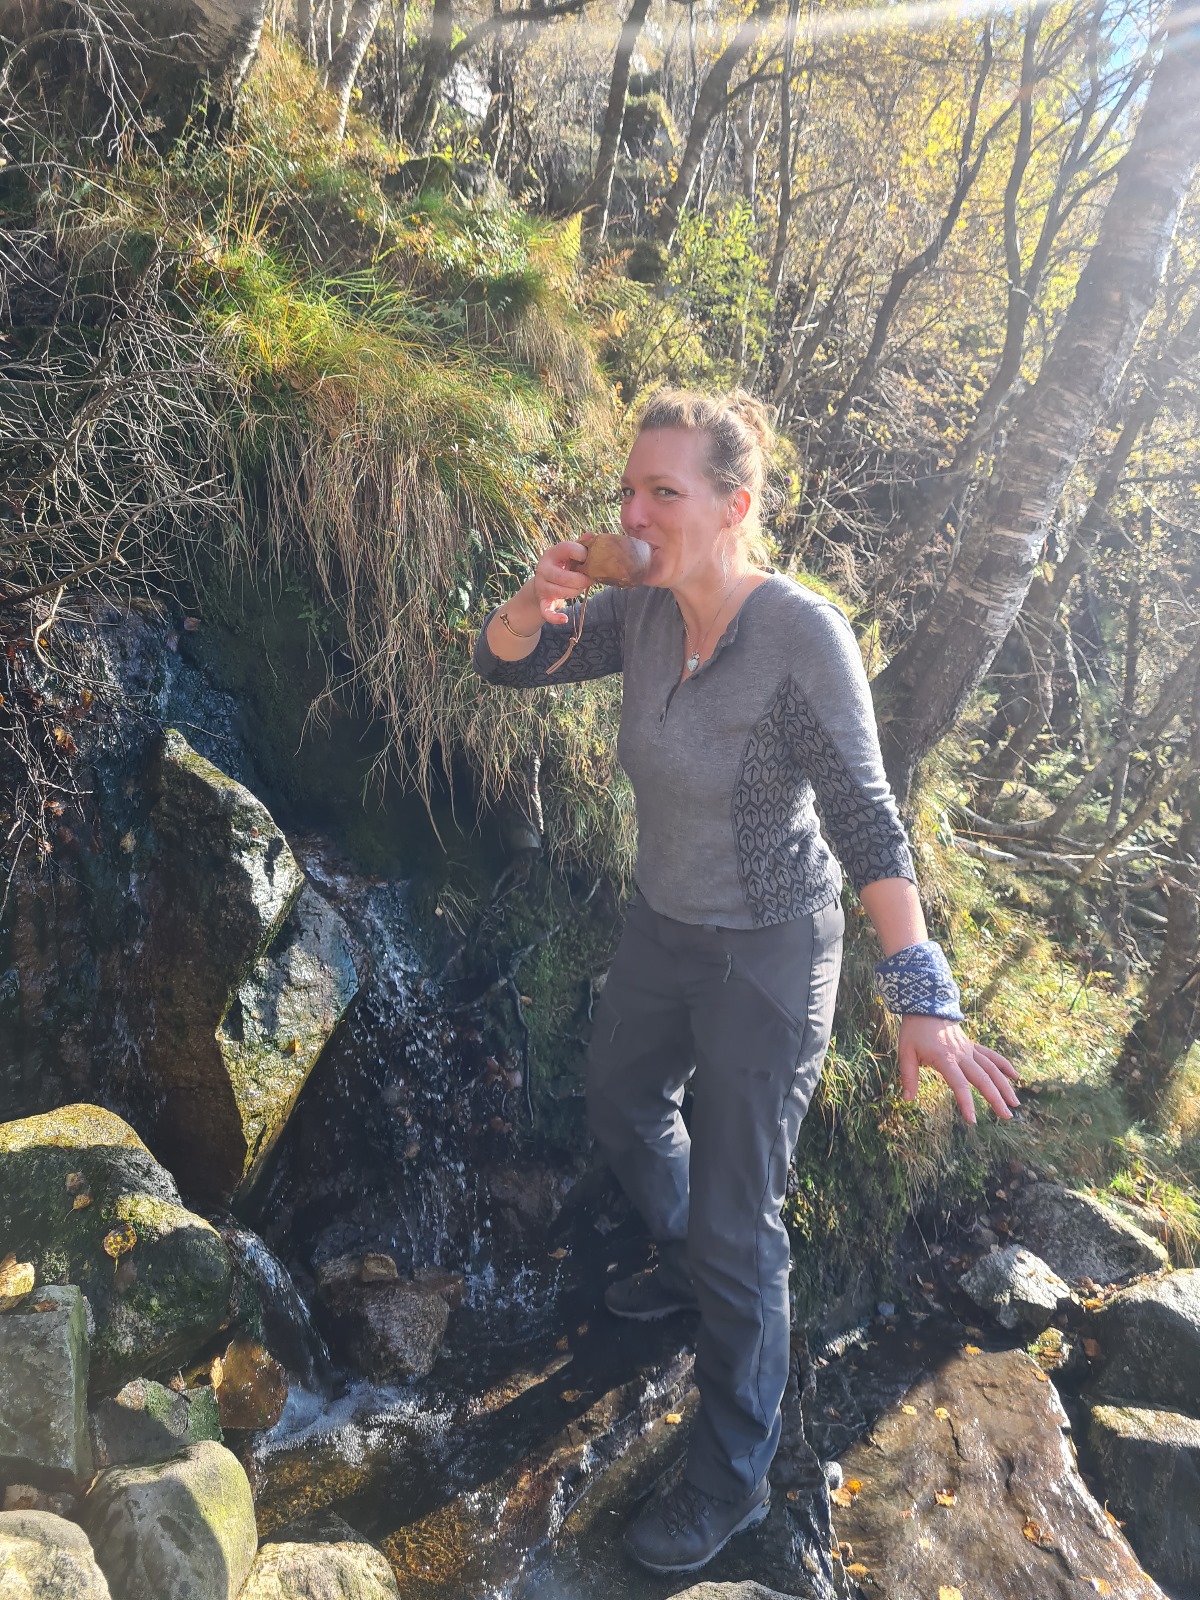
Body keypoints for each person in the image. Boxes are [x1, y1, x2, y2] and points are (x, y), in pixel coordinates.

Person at [472, 388, 1018, 1576]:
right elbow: (505, 667)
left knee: (740, 1218)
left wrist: (922, 996)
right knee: (620, 1102)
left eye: (662, 491)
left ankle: (730, 1470)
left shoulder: (800, 637)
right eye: (629, 488)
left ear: (736, 506)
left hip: (771, 952)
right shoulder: (641, 612)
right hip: (663, 926)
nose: (634, 510)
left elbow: (871, 821)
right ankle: (683, 1264)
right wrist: (533, 598)